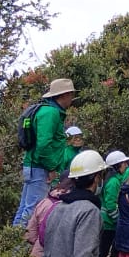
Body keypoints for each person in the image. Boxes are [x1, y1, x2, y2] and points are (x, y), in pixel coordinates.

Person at [12, 78, 76, 227]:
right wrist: (52, 168)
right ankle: (20, 249)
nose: (72, 99)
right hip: (40, 168)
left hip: (34, 165)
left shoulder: (47, 110)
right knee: (33, 211)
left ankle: (12, 244)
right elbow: (43, 144)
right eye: (71, 94)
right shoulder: (51, 113)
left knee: (25, 209)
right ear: (64, 95)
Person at [96, 150, 129, 257]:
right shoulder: (113, 182)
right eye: (124, 163)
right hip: (108, 224)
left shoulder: (111, 179)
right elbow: (111, 205)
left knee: (104, 252)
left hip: (108, 222)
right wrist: (118, 221)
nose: (126, 166)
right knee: (102, 252)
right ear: (117, 165)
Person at [24, 184, 70, 257]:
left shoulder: (44, 202)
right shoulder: (72, 208)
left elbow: (30, 232)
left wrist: (37, 243)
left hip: (37, 255)